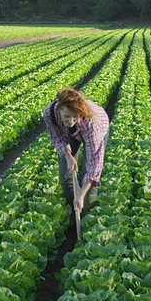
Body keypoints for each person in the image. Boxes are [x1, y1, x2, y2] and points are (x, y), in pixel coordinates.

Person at [42, 87, 109, 216]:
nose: (71, 121)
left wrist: (81, 195)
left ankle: (87, 215)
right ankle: (74, 212)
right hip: (69, 135)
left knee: (87, 175)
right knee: (65, 174)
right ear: (59, 110)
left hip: (95, 128)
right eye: (67, 116)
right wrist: (68, 156)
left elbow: (94, 164)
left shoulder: (92, 124)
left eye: (75, 117)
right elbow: (57, 138)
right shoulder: (49, 114)